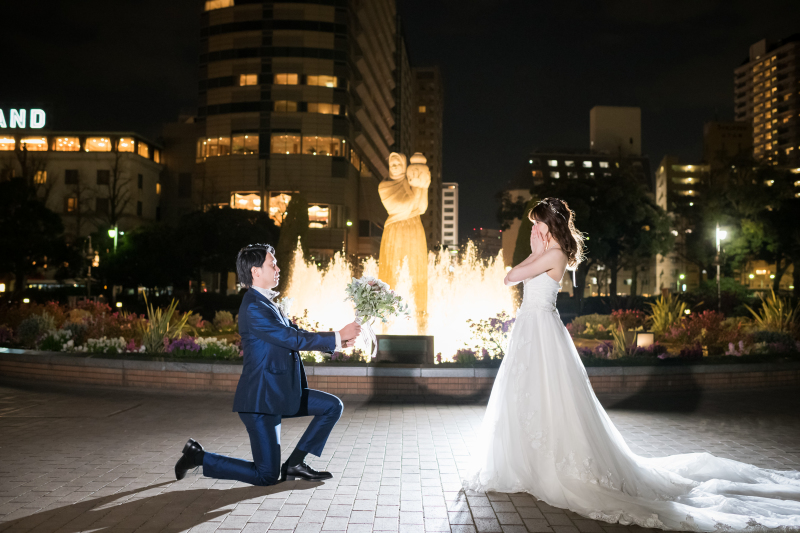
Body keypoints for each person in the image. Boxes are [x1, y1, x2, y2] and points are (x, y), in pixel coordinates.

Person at [462, 198, 800, 531]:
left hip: (540, 332)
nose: (533, 228)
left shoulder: (552, 254)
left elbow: (509, 277)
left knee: (550, 397)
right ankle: (528, 463)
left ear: (550, 226)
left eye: (537, 223)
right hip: (532, 330)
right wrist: (534, 251)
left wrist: (534, 252)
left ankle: (552, 466)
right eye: (533, 223)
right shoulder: (547, 251)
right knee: (527, 395)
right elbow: (516, 278)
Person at [174, 243, 361, 485]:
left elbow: (295, 332)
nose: (277, 268)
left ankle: (295, 464)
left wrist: (336, 342)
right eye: (272, 264)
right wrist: (337, 335)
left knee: (332, 406)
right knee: (267, 475)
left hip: (281, 392)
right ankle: (198, 457)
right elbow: (290, 339)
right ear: (255, 271)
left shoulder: (267, 303)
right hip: (261, 401)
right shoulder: (253, 307)